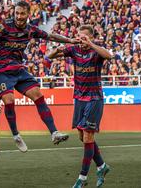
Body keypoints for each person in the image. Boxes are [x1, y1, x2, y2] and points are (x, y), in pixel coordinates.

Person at [0, 1, 78, 149]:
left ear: (28, 14)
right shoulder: (5, 25)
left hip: (18, 69)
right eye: (17, 13)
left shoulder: (31, 30)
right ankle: (16, 135)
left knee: (38, 95)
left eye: (22, 14)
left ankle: (54, 132)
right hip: (1, 71)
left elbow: (51, 36)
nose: (19, 17)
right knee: (9, 100)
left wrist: (70, 40)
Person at [48, 25, 112, 188]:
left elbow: (109, 56)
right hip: (79, 97)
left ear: (90, 37)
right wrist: (58, 50)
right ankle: (102, 166)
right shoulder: (74, 50)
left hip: (94, 98)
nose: (81, 40)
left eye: (84, 37)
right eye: (79, 37)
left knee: (88, 137)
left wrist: (90, 44)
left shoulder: (96, 51)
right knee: (82, 137)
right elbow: (50, 56)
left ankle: (82, 179)